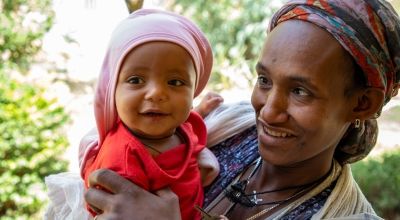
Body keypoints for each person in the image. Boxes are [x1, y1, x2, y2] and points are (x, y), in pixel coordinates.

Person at [83, 0, 400, 219]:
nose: (268, 112)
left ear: (362, 103)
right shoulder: (226, 127)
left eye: (300, 91)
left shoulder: (344, 215)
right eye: (264, 80)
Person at [79, 8, 224, 220]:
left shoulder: (179, 124)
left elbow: (190, 121)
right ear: (112, 90)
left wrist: (202, 109)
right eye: (136, 80)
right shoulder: (123, 163)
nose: (156, 93)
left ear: (193, 92)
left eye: (175, 82)